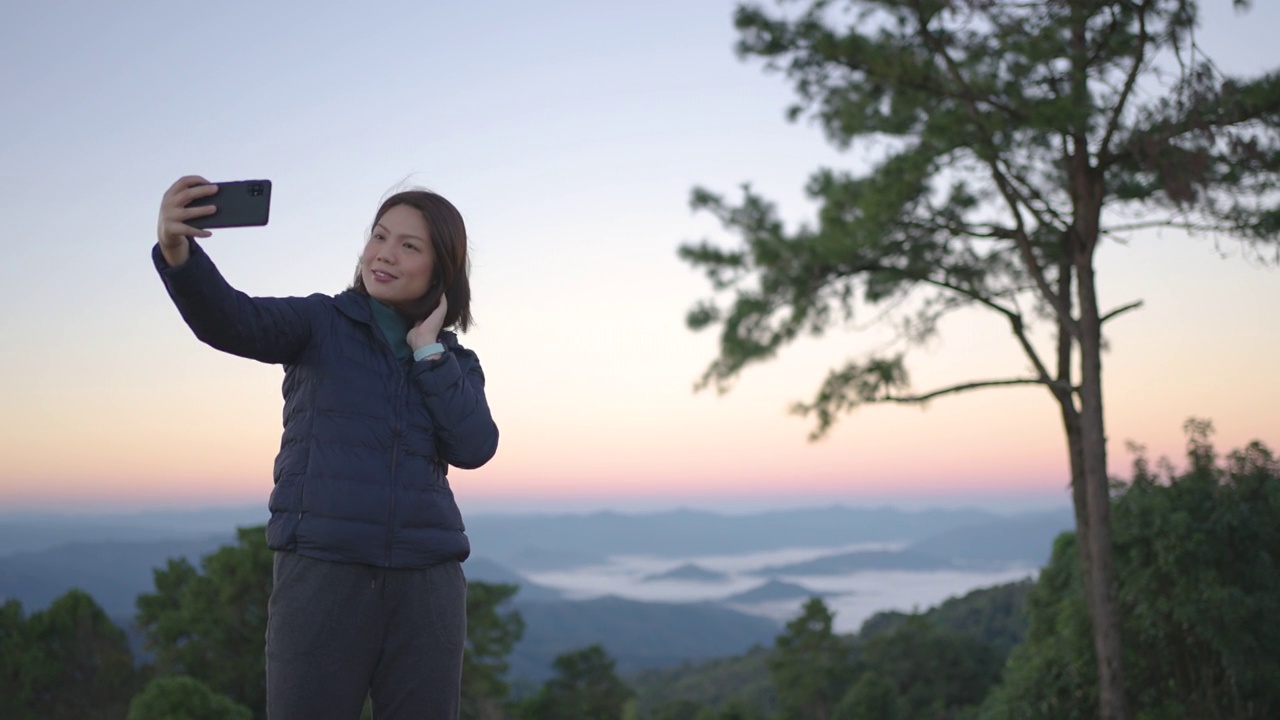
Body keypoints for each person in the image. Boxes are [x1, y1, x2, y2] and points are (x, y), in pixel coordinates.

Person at [153, 175, 499, 720]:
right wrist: (178, 252)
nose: (384, 254)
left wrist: (428, 352)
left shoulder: (453, 362)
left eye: (409, 246)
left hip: (427, 583)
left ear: (441, 270)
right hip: (323, 574)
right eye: (379, 236)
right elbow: (229, 319)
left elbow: (475, 446)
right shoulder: (319, 323)